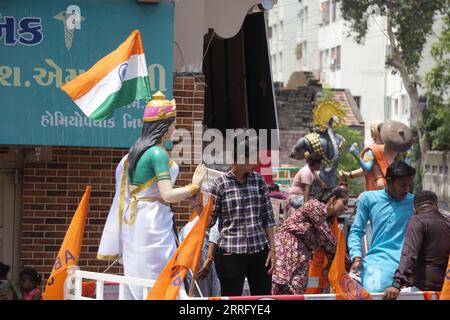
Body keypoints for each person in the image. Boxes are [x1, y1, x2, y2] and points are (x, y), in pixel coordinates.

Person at [97, 91, 207, 300]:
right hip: (153, 224)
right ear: (164, 126)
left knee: (137, 277)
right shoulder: (157, 153)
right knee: (159, 278)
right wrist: (194, 186)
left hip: (135, 221)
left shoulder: (134, 152)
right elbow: (167, 195)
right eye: (173, 124)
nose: (175, 128)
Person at [209, 135, 276, 296]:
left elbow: (268, 218)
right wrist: (197, 206)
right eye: (253, 158)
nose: (256, 163)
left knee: (263, 299)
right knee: (232, 301)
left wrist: (273, 249)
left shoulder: (258, 181)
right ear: (240, 158)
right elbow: (209, 220)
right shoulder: (220, 184)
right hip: (231, 253)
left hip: (259, 252)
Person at [348, 161, 416, 293]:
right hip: (377, 263)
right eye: (402, 185)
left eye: (409, 185)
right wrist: (356, 257)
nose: (407, 190)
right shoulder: (368, 199)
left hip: (406, 264)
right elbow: (356, 231)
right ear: (389, 181)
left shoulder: (414, 202)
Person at [272, 187, 349, 295]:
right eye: (344, 203)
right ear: (333, 199)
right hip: (288, 248)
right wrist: (345, 259)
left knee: (297, 288)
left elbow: (329, 249)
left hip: (302, 254)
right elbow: (327, 239)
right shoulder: (314, 206)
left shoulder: (328, 221)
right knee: (284, 285)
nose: (346, 208)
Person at [383, 191, 450, 299]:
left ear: (414, 209)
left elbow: (409, 254)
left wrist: (396, 283)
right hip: (445, 289)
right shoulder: (447, 223)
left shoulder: (416, 221)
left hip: (422, 288)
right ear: (436, 206)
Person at [340, 120, 412, 191]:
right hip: (394, 187)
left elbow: (366, 169)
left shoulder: (373, 150)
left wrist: (356, 155)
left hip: (378, 187)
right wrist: (349, 174)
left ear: (372, 132)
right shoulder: (395, 150)